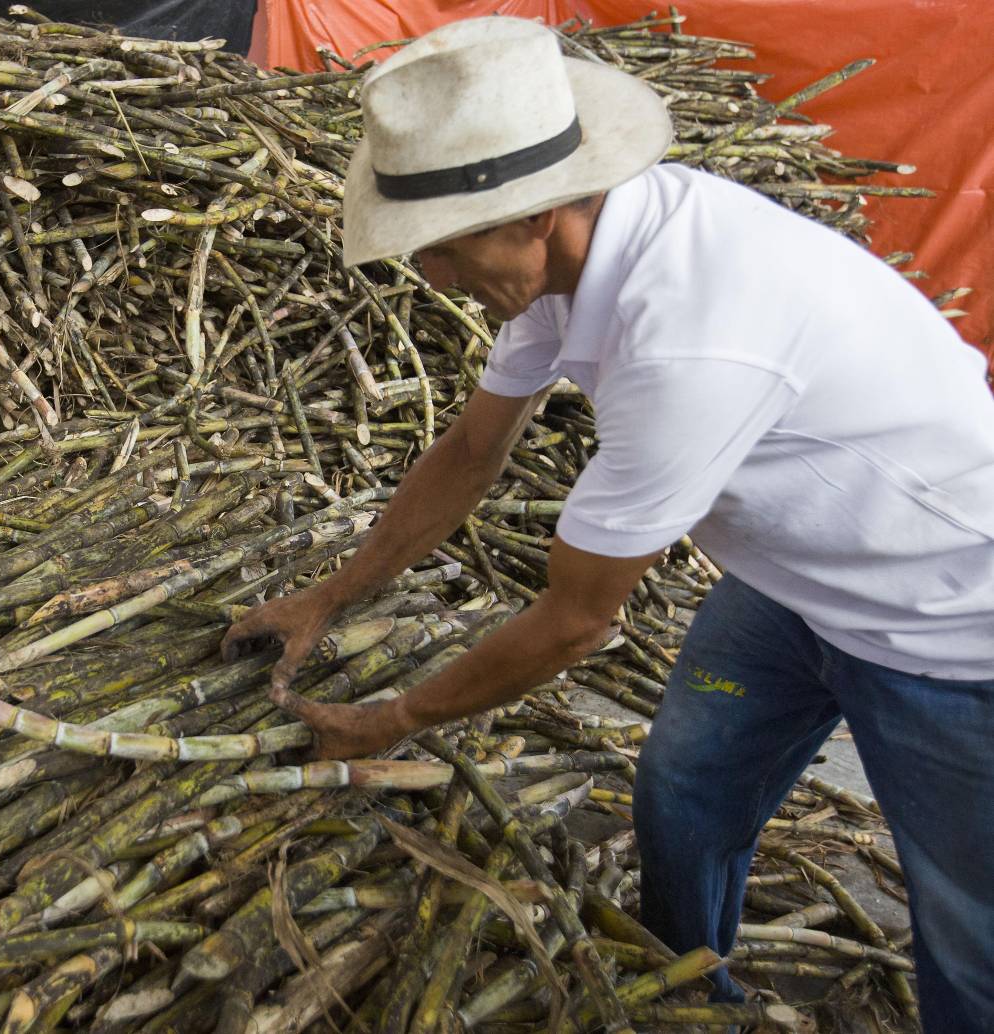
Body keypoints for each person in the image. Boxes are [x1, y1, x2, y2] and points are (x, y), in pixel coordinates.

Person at [221, 16, 994, 1032]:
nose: (435, 280)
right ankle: (688, 997)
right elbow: (469, 451)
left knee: (966, 932)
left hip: (943, 624)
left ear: (533, 215)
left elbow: (574, 620)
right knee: (684, 783)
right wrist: (324, 600)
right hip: (794, 582)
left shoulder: (688, 341)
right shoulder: (570, 262)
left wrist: (393, 719)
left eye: (446, 250)